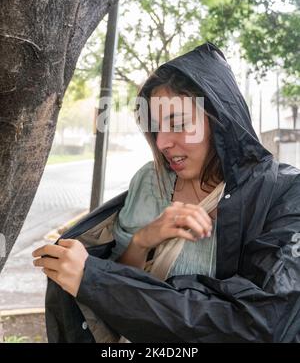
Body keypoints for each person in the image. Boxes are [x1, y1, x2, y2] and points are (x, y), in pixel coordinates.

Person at [33, 42, 300, 343]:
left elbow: (259, 324)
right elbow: (114, 291)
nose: (162, 143)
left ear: (219, 120)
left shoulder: (283, 194)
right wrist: (142, 240)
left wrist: (95, 280)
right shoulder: (150, 181)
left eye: (178, 124)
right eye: (157, 128)